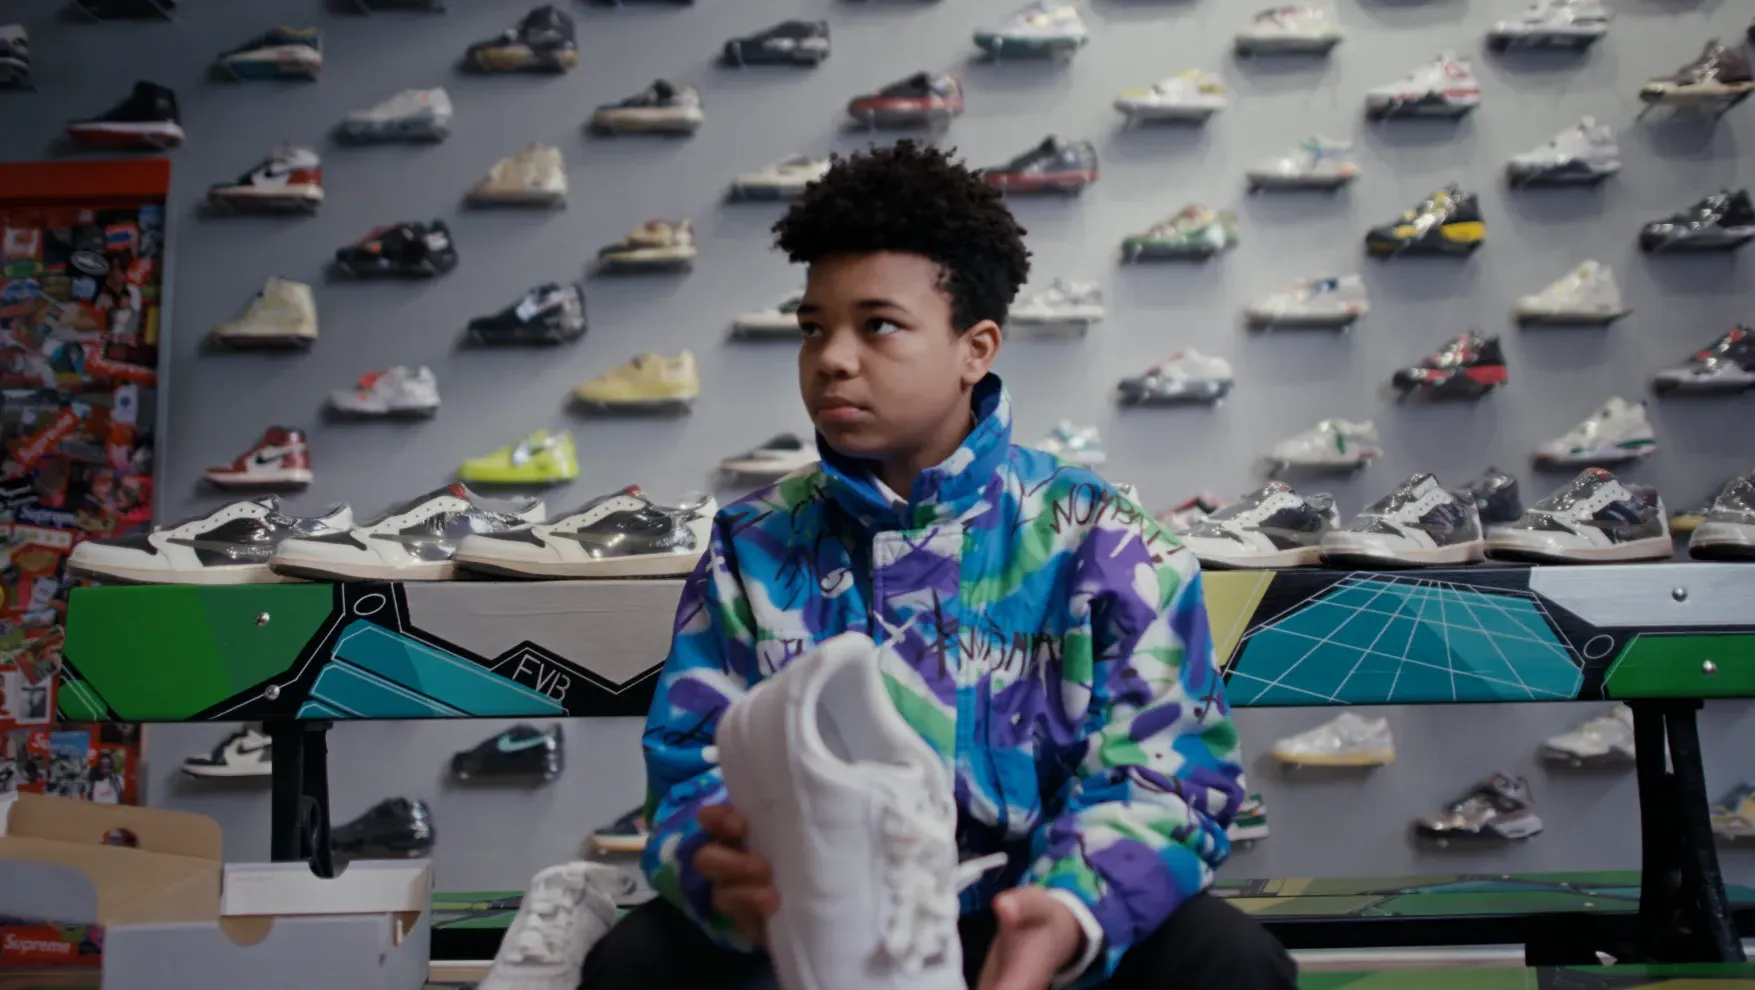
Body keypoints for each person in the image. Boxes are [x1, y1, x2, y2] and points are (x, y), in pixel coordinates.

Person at [579, 141, 1295, 990]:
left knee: (1232, 966)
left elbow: (1169, 774)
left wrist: (1064, 916)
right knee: (634, 967)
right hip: (813, 925)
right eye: (814, 328)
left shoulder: (1102, 538)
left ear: (974, 348)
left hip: (1036, 914)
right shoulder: (753, 543)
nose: (833, 358)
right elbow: (694, 763)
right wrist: (717, 868)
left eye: (877, 325)